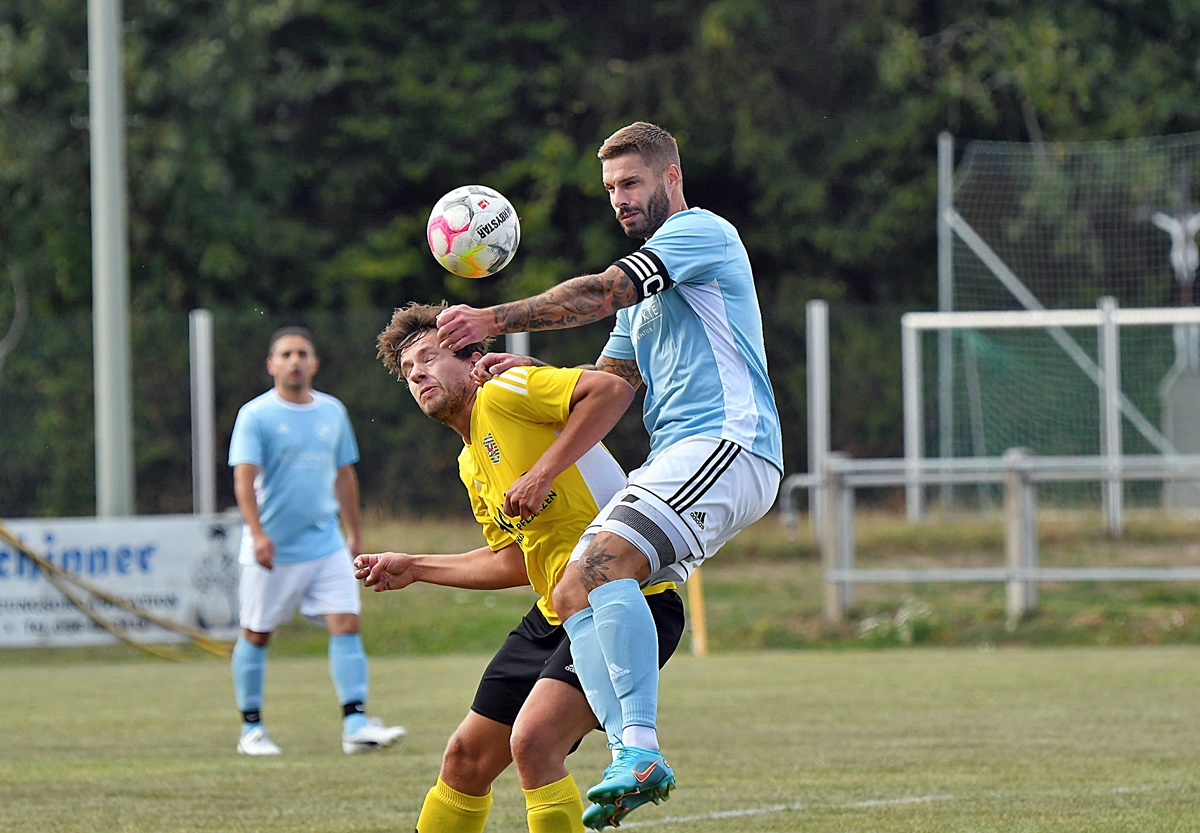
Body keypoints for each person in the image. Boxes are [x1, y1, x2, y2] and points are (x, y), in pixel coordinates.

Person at [436, 121, 784, 828]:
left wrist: (491, 318)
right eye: (610, 189)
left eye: (631, 183)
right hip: (684, 455)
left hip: (728, 440)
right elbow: (614, 383)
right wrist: (536, 370)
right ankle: (631, 753)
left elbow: (602, 291)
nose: (620, 199)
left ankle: (640, 748)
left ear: (670, 178)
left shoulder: (700, 233)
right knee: (573, 587)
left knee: (598, 561)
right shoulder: (647, 301)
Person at [355, 302, 685, 833]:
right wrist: (415, 566)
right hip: (554, 612)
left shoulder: (503, 392)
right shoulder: (470, 461)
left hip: (625, 599)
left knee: (533, 743)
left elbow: (608, 389)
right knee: (464, 760)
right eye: (409, 371)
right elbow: (513, 560)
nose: (417, 375)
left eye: (429, 358)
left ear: (472, 361)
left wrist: (543, 471)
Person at [227, 325, 407, 756]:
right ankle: (251, 730)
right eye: (286, 354)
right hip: (273, 548)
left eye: (302, 353)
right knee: (256, 633)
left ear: (315, 363)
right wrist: (257, 534)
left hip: (325, 543)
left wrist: (354, 533)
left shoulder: (332, 411)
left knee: (347, 622)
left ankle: (355, 724)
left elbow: (344, 476)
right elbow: (244, 479)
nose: (295, 361)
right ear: (271, 365)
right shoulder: (255, 415)